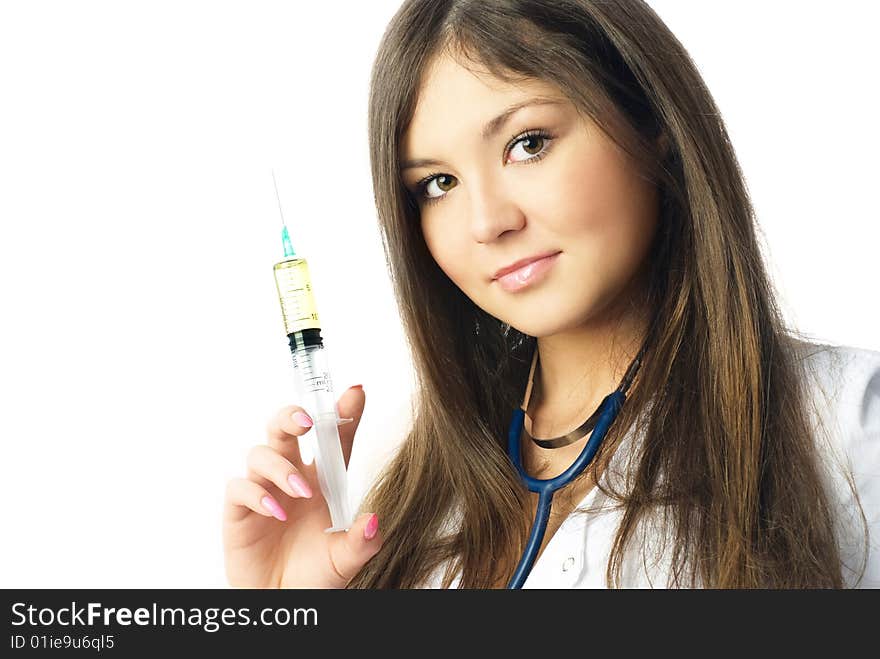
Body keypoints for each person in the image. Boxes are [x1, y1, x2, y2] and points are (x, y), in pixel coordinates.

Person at [223, 0, 879, 588]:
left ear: (651, 117)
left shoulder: (847, 425)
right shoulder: (394, 500)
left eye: (527, 144)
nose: (487, 222)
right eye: (439, 184)